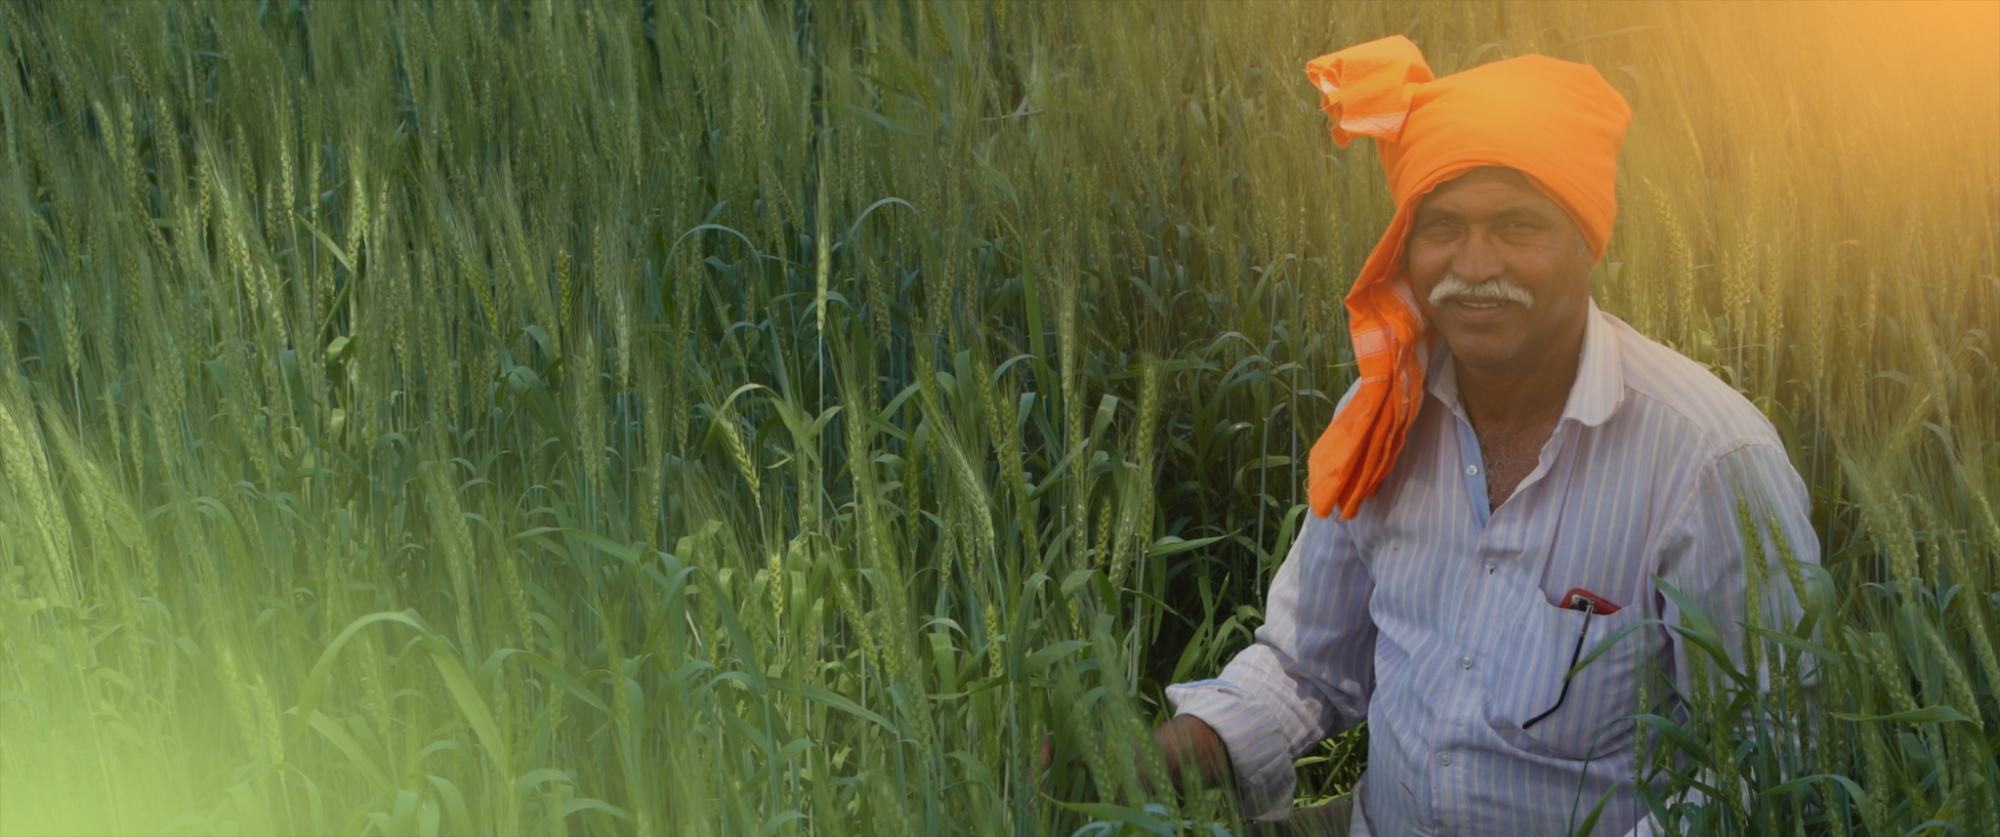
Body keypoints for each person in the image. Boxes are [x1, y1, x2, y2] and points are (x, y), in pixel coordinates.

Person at [1155, 35, 1819, 834]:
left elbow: (1763, 756)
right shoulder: (1384, 414)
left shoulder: (1709, 460)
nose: (1474, 264)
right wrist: (1153, 758)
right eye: (1443, 226)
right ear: (1407, 247)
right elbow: (1305, 665)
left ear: (1585, 241)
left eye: (1516, 225)